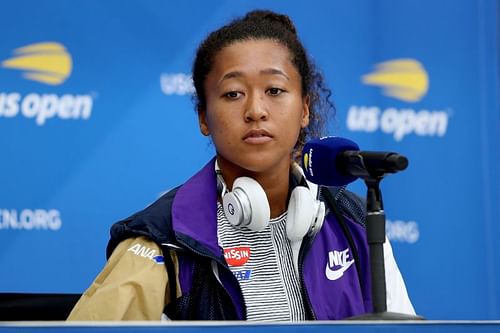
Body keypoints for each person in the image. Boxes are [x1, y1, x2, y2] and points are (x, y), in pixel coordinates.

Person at [67, 9, 415, 321]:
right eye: (233, 93)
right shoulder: (163, 239)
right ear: (204, 117)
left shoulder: (354, 222)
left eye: (275, 90)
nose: (256, 110)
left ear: (305, 109)